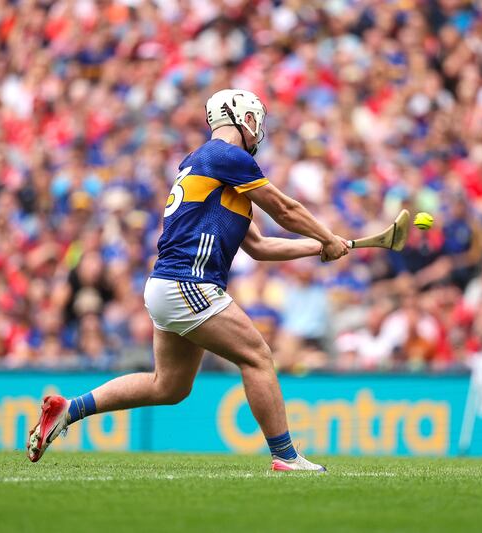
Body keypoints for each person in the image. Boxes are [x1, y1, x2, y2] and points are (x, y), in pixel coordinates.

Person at [26, 89, 351, 471]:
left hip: (167, 285)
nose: (258, 130)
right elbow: (285, 208)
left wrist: (318, 247)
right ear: (241, 119)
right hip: (189, 283)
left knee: (169, 386)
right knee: (258, 356)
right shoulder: (225, 156)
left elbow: (260, 246)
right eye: (255, 120)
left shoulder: (208, 169)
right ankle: (286, 457)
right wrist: (328, 235)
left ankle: (69, 409)